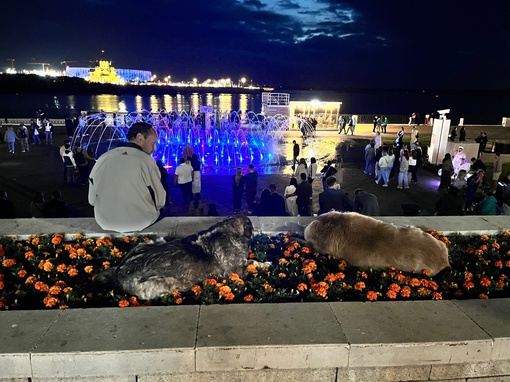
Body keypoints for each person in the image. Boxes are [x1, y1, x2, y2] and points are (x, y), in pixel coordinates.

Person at [88, 122, 166, 232]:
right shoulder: (146, 161)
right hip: (140, 222)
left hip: (104, 221)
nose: (155, 148)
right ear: (140, 138)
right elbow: (159, 201)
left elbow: (91, 200)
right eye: (153, 143)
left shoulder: (103, 158)